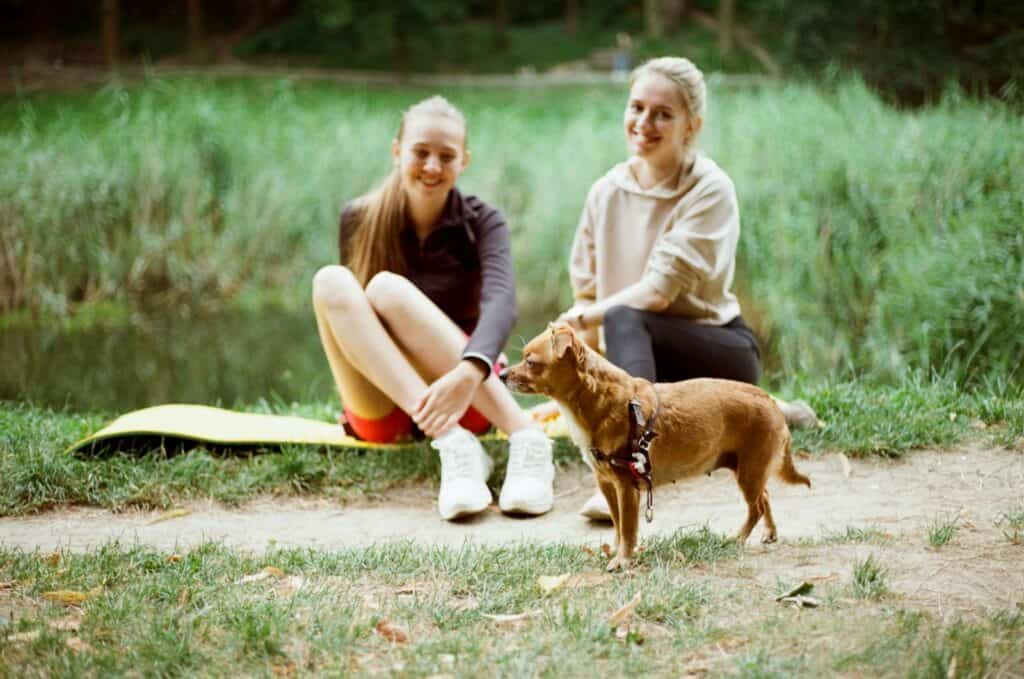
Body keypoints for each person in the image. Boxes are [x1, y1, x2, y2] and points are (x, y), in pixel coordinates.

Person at [554, 57, 818, 520]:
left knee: (622, 316)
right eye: (636, 107)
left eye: (663, 114)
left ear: (691, 125)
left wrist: (580, 321)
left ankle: (631, 468)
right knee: (615, 324)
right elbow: (587, 293)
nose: (644, 123)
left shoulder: (710, 189)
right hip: (634, 359)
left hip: (716, 348)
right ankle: (773, 411)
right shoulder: (605, 192)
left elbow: (656, 293)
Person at [311, 95, 554, 521]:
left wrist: (469, 369)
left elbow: (502, 299)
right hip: (386, 409)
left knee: (386, 289)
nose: (432, 166)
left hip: (466, 397)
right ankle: (455, 445)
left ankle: (527, 439)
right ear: (397, 151)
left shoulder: (483, 221)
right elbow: (353, 324)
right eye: (420, 152)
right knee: (331, 281)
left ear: (464, 161)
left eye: (446, 156)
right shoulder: (358, 217)